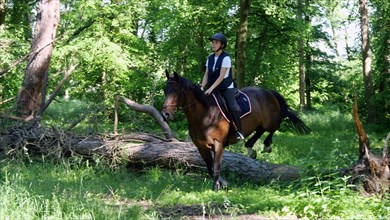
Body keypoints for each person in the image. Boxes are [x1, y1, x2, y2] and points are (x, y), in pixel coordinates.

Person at [200, 33, 245, 141]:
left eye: (216, 42)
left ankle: (240, 131)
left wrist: (210, 89)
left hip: (225, 87)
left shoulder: (226, 58)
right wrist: (202, 87)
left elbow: (221, 77)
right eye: (212, 42)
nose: (213, 44)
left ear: (222, 45)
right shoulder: (210, 58)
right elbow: (206, 74)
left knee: (232, 107)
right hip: (213, 87)